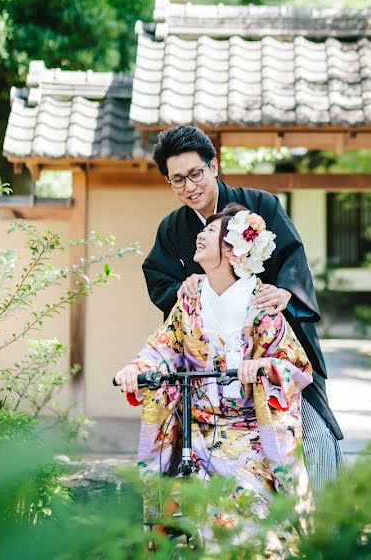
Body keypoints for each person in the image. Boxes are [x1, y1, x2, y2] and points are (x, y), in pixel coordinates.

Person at [141, 125, 342, 492]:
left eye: (195, 174)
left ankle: (323, 535)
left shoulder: (260, 206)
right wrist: (181, 291)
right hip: (211, 375)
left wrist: (285, 293)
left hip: (271, 351)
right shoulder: (172, 229)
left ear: (213, 166)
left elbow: (292, 256)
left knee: (315, 444)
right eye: (177, 180)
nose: (189, 187)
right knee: (174, 455)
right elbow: (160, 279)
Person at [115, 203, 312, 516]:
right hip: (196, 434)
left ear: (232, 249)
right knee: (178, 508)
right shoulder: (190, 299)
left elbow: (296, 366)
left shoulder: (261, 304)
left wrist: (262, 367)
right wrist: (135, 369)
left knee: (245, 510)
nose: (200, 236)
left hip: (250, 438)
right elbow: (163, 348)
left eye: (209, 231)